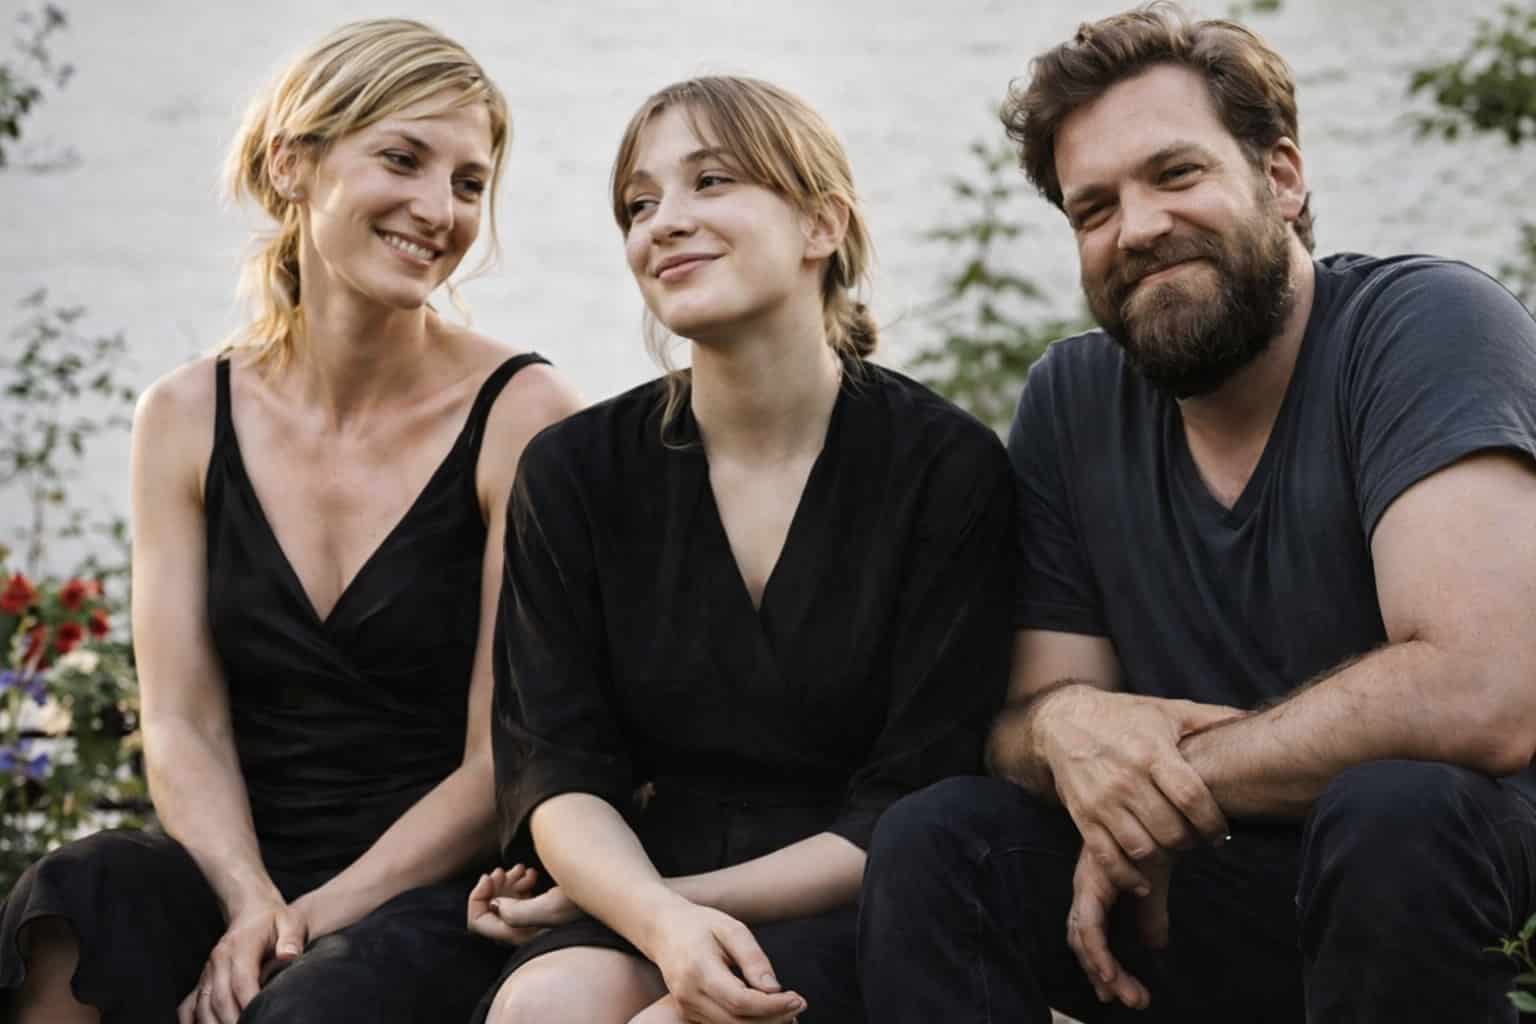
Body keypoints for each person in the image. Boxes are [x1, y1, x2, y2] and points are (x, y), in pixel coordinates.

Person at [858, 4, 1536, 1023]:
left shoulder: (1425, 325)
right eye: (1093, 209)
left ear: (1281, 176)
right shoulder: (1073, 399)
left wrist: (1160, 788)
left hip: (1453, 881)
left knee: (1395, 808)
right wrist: (1067, 728)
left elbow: (1480, 691)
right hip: (1202, 892)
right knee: (943, 843)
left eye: (1175, 174)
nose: (1137, 229)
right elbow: (1034, 715)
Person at [0, 18, 580, 1024]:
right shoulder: (183, 416)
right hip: (239, 869)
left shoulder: (522, 414)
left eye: (469, 183)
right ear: (292, 164)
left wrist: (302, 922)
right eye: (402, 159)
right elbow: (183, 722)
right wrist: (248, 899)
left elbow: (501, 762)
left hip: (434, 887)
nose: (439, 209)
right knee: (78, 897)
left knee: (312, 1005)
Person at [461, 75, 1014, 1024]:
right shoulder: (574, 470)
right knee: (543, 1008)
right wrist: (653, 917)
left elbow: (912, 799)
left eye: (710, 181)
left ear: (821, 224)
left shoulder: (945, 467)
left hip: (865, 900)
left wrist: (674, 907)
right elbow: (558, 768)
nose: (664, 222)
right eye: (640, 204)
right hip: (644, 882)